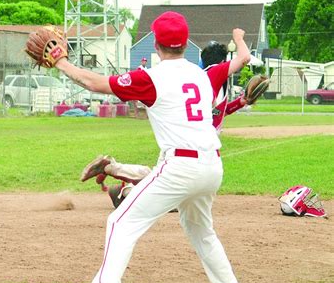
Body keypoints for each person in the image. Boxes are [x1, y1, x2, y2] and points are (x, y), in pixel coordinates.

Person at [57, 11, 250, 283]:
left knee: (121, 222)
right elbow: (240, 60)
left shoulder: (151, 78)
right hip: (212, 165)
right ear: (186, 43)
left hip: (180, 167)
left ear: (156, 45)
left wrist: (60, 62)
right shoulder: (204, 74)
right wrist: (239, 40)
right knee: (200, 228)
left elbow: (94, 83)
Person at [81, 38, 253, 208]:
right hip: (187, 142)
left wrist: (240, 102)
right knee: (172, 195)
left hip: (191, 140)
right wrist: (238, 37)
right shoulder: (214, 72)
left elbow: (217, 113)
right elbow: (244, 57)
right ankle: (121, 184)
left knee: (166, 184)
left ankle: (117, 177)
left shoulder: (208, 79)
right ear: (222, 62)